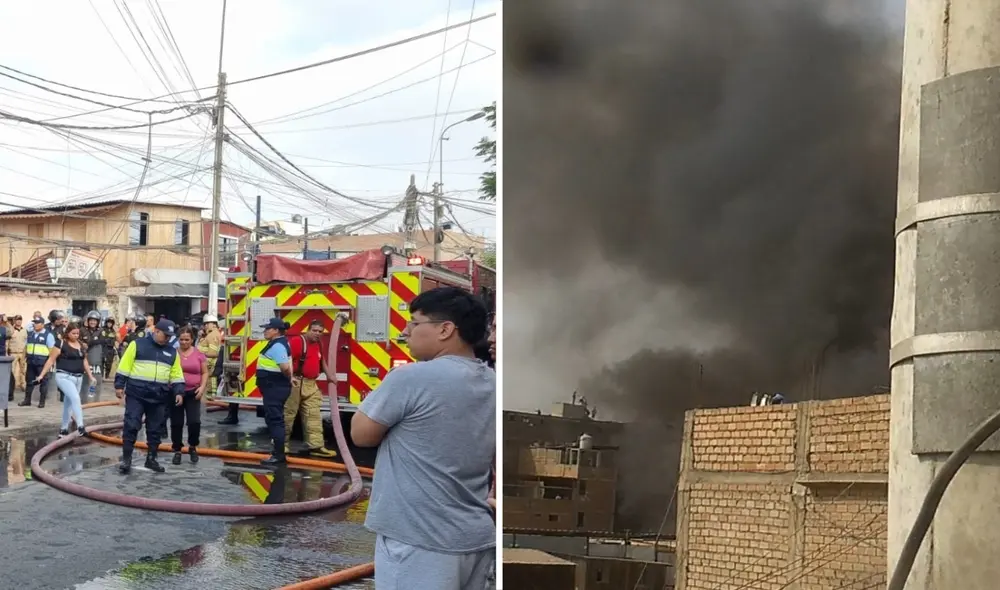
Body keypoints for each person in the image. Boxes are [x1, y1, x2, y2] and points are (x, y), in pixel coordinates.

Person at [350, 287, 495, 590]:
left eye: (415, 323)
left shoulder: (411, 378)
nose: (406, 331)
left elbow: (361, 434)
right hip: (474, 539)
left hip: (419, 542)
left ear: (445, 330)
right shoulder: (493, 382)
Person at [114, 319, 185, 474]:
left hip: (159, 396)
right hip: (137, 394)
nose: (167, 338)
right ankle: (127, 459)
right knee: (131, 425)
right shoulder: (138, 345)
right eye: (165, 335)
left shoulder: (172, 352)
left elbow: (176, 374)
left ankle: (151, 459)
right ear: (156, 331)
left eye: (169, 336)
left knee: (155, 429)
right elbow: (124, 366)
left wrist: (179, 391)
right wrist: (119, 386)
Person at [286, 320, 337, 458]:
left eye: (320, 331)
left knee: (313, 415)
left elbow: (322, 361)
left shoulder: (318, 343)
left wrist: (329, 376)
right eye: (314, 330)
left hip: (311, 383)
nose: (317, 334)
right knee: (288, 415)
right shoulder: (297, 341)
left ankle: (316, 446)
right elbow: (285, 360)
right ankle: (281, 444)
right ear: (308, 329)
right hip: (296, 382)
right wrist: (290, 377)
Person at [34, 322, 89, 436]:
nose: (76, 335)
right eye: (73, 333)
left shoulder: (81, 345)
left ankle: (63, 429)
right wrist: (41, 375)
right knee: (75, 398)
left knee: (68, 404)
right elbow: (50, 360)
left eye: (77, 333)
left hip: (78, 377)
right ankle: (80, 426)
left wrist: (90, 375)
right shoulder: (61, 344)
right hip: (64, 376)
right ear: (68, 333)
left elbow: (85, 361)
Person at [256, 318, 293, 466]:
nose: (265, 331)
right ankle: (278, 453)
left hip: (274, 387)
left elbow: (284, 366)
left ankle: (278, 455)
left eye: (268, 328)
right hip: (274, 387)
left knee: (275, 421)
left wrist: (289, 376)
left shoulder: (277, 346)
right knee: (274, 420)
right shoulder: (279, 343)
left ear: (276, 330)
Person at [171, 326, 207, 465]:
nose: (184, 342)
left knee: (194, 422)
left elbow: (204, 372)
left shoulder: (199, 354)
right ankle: (177, 450)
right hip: (176, 392)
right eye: (181, 340)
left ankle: (192, 446)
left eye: (187, 339)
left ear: (192, 340)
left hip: (194, 392)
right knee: (176, 423)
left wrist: (202, 388)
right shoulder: (173, 353)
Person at [19, 317, 55, 408]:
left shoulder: (48, 335)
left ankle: (42, 401)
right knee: (29, 381)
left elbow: (52, 351)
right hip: (31, 362)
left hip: (42, 363)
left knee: (43, 382)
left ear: (42, 324)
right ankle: (27, 400)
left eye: (37, 323)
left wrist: (51, 363)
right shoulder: (30, 334)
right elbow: (26, 348)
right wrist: (23, 359)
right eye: (34, 322)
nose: (35, 324)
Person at [9, 315, 26, 394]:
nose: (19, 321)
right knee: (12, 370)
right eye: (17, 320)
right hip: (13, 353)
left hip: (22, 353)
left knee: (24, 370)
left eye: (20, 320)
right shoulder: (11, 330)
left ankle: (23, 385)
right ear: (14, 321)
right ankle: (13, 386)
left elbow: (27, 342)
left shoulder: (25, 330)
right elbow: (7, 342)